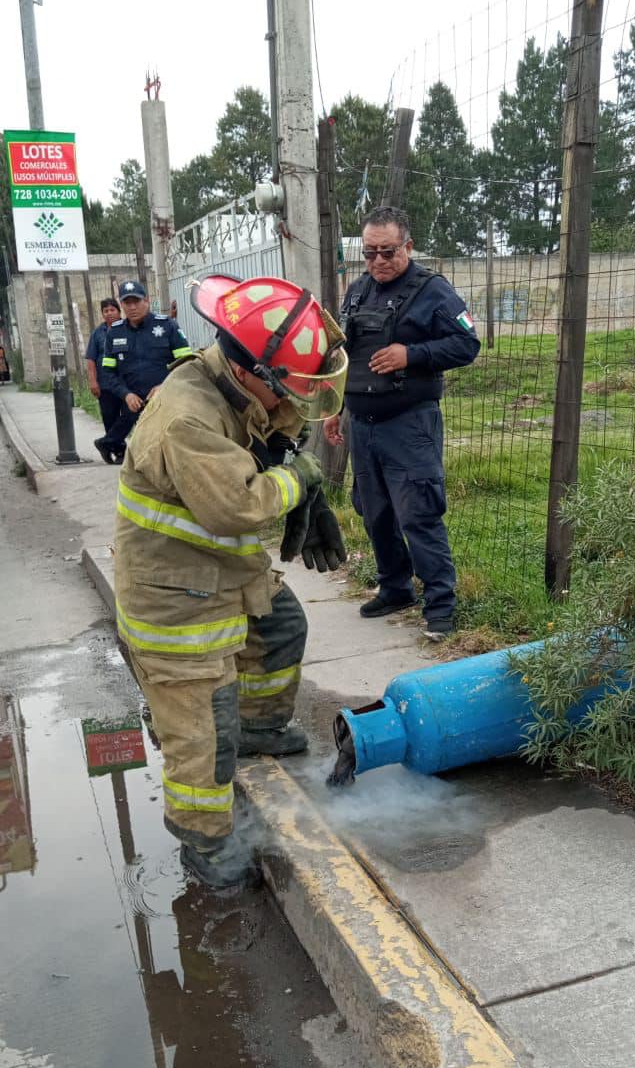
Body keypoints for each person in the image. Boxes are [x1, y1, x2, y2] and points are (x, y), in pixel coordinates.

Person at [114, 273, 348, 889]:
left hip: (218, 571)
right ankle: (204, 842)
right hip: (172, 600)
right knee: (203, 729)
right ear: (254, 372)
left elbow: (268, 436)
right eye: (293, 387)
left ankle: (261, 730)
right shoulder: (187, 418)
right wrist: (302, 482)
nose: (300, 400)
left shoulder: (230, 385)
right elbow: (240, 507)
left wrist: (299, 489)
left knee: (282, 626)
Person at [323, 206, 480, 640]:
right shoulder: (357, 291)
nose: (378, 262)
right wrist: (336, 408)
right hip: (362, 424)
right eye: (370, 253)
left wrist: (411, 355)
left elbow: (467, 344)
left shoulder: (434, 292)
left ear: (407, 246)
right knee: (374, 512)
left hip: (409, 424)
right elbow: (343, 355)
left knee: (419, 515)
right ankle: (395, 588)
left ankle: (441, 605)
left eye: (387, 252)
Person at [97, 280, 193, 464]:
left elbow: (187, 364)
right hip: (133, 400)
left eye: (136, 301)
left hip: (166, 400)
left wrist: (164, 387)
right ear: (122, 305)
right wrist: (125, 395)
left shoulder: (167, 326)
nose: (132, 307)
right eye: (127, 303)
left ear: (147, 301)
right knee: (148, 456)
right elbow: (108, 372)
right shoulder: (114, 333)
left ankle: (109, 443)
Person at [85, 297, 122, 436]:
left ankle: (123, 447)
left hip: (127, 383)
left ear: (119, 311)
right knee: (109, 417)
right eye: (105, 311)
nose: (109, 313)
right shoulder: (97, 333)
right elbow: (91, 359)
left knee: (127, 418)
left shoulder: (128, 328)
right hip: (106, 385)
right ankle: (118, 450)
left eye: (112, 309)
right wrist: (93, 382)